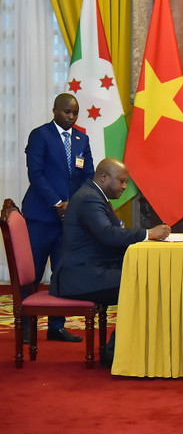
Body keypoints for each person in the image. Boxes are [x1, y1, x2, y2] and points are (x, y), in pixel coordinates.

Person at [49, 158, 170, 367]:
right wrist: (148, 233)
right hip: (80, 276)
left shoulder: (95, 195)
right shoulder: (89, 199)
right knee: (141, 283)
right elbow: (107, 235)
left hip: (92, 269)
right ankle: (115, 352)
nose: (124, 187)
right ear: (104, 177)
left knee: (143, 277)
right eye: (122, 181)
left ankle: (129, 348)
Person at [21, 93, 94, 343]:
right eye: (67, 112)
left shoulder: (82, 139)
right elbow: (36, 174)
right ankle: (27, 326)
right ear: (54, 110)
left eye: (75, 113)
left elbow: (89, 176)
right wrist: (57, 203)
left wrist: (71, 205)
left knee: (62, 272)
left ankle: (56, 327)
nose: (71, 117)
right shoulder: (40, 135)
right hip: (41, 217)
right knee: (33, 272)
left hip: (68, 220)